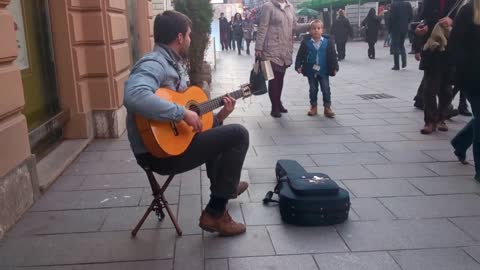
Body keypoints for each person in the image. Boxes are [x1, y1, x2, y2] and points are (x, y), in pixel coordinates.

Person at [123, 11, 250, 237]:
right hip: (159, 154)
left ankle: (224, 189)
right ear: (180, 38)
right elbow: (134, 95)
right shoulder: (155, 63)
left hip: (172, 144)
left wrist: (219, 116)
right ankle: (216, 211)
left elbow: (190, 119)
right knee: (239, 135)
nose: (191, 40)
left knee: (218, 127)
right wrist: (181, 112)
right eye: (189, 35)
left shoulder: (173, 62)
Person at [255, 0, 308, 118]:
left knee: (280, 78)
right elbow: (263, 27)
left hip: (285, 49)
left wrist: (309, 25)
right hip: (271, 49)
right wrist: (258, 47)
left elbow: (295, 26)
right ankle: (274, 107)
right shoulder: (268, 6)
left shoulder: (290, 7)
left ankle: (278, 102)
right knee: (274, 78)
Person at [415, 0, 460, 134]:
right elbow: (421, 20)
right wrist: (419, 32)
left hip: (449, 50)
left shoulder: (459, 3)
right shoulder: (429, 2)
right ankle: (430, 121)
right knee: (429, 88)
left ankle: (441, 118)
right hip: (432, 49)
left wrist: (452, 22)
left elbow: (470, 22)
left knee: (446, 90)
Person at [449, 0, 480, 180]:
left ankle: (460, 142)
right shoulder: (468, 11)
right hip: (474, 79)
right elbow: (456, 46)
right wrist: (467, 70)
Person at [295, 20, 339, 118]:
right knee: (313, 89)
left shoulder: (328, 42)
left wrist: (335, 67)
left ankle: (327, 107)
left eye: (318, 28)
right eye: (313, 28)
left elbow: (333, 56)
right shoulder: (305, 43)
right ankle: (313, 106)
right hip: (311, 71)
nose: (316, 30)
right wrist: (298, 65)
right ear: (309, 31)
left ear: (322, 30)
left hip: (324, 70)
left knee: (326, 89)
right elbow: (300, 55)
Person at [389, 0, 413, 70]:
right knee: (401, 44)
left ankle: (396, 65)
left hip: (396, 28)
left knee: (395, 45)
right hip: (404, 27)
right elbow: (411, 16)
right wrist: (406, 22)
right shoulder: (407, 4)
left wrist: (390, 28)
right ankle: (404, 62)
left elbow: (391, 17)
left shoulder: (394, 4)